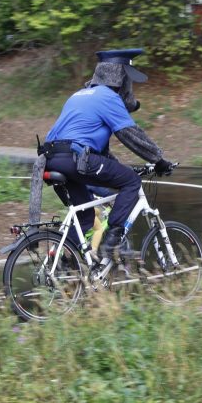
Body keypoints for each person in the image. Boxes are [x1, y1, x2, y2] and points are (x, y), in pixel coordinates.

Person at [30, 49, 175, 261]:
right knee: (132, 182)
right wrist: (158, 160)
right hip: (74, 159)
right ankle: (112, 243)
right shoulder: (108, 97)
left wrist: (120, 166)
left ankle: (61, 263)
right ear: (122, 78)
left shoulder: (78, 95)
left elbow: (97, 149)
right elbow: (130, 134)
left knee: (86, 217)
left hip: (52, 160)